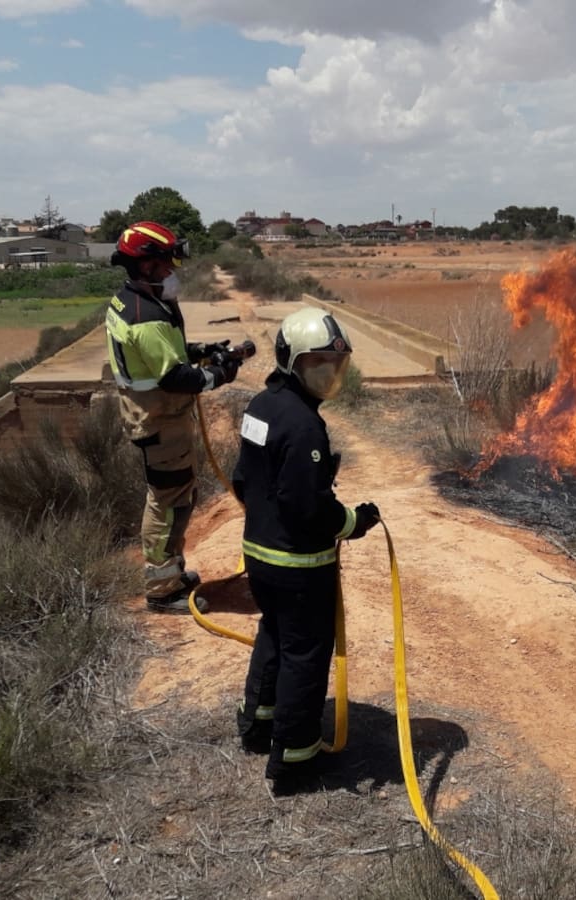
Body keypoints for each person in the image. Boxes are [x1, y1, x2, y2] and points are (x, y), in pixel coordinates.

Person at [232, 306, 381, 792]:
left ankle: (257, 723)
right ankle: (295, 759)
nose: (327, 375)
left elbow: (243, 478)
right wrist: (355, 521)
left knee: (274, 635)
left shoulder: (260, 406)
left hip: (260, 555)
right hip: (299, 565)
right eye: (316, 363)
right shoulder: (303, 427)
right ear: (289, 361)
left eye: (334, 366)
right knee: (305, 655)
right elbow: (309, 508)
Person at [104, 221, 247, 614]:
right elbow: (174, 375)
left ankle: (172, 570)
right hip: (159, 420)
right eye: (166, 263)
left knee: (179, 495)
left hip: (156, 416)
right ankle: (162, 589)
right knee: (167, 503)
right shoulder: (146, 315)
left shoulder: (133, 301)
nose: (172, 271)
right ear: (145, 264)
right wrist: (218, 374)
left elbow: (166, 352)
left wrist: (204, 349)